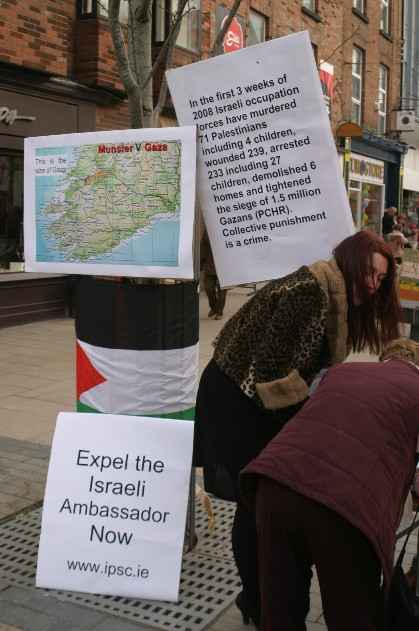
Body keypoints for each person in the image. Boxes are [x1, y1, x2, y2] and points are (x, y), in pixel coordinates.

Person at [193, 230, 401, 626]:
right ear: (352, 263)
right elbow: (271, 373)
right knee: (253, 502)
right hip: (236, 399)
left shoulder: (331, 294)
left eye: (381, 279)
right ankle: (256, 600)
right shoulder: (311, 291)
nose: (374, 285)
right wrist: (308, 426)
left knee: (258, 504)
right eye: (371, 274)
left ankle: (255, 598)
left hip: (253, 398)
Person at [240, 338, 419, 631]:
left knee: (280, 612)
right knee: (351, 615)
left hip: (274, 485)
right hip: (345, 510)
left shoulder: (341, 372)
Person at [200, 229, 227, 320]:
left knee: (222, 291)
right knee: (208, 288)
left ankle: (219, 312)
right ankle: (214, 307)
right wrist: (200, 264)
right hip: (210, 265)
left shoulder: (229, 227)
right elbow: (203, 247)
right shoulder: (208, 229)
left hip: (225, 266)